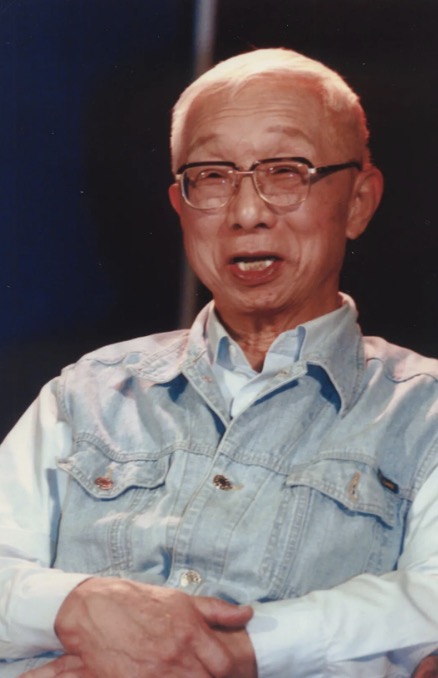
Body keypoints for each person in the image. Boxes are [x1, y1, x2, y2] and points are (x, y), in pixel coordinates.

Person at [0, 47, 437, 678]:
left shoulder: (422, 414)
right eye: (211, 176)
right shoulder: (87, 393)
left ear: (359, 202)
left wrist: (238, 650)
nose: (247, 212)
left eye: (286, 172)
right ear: (180, 205)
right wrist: (78, 606)